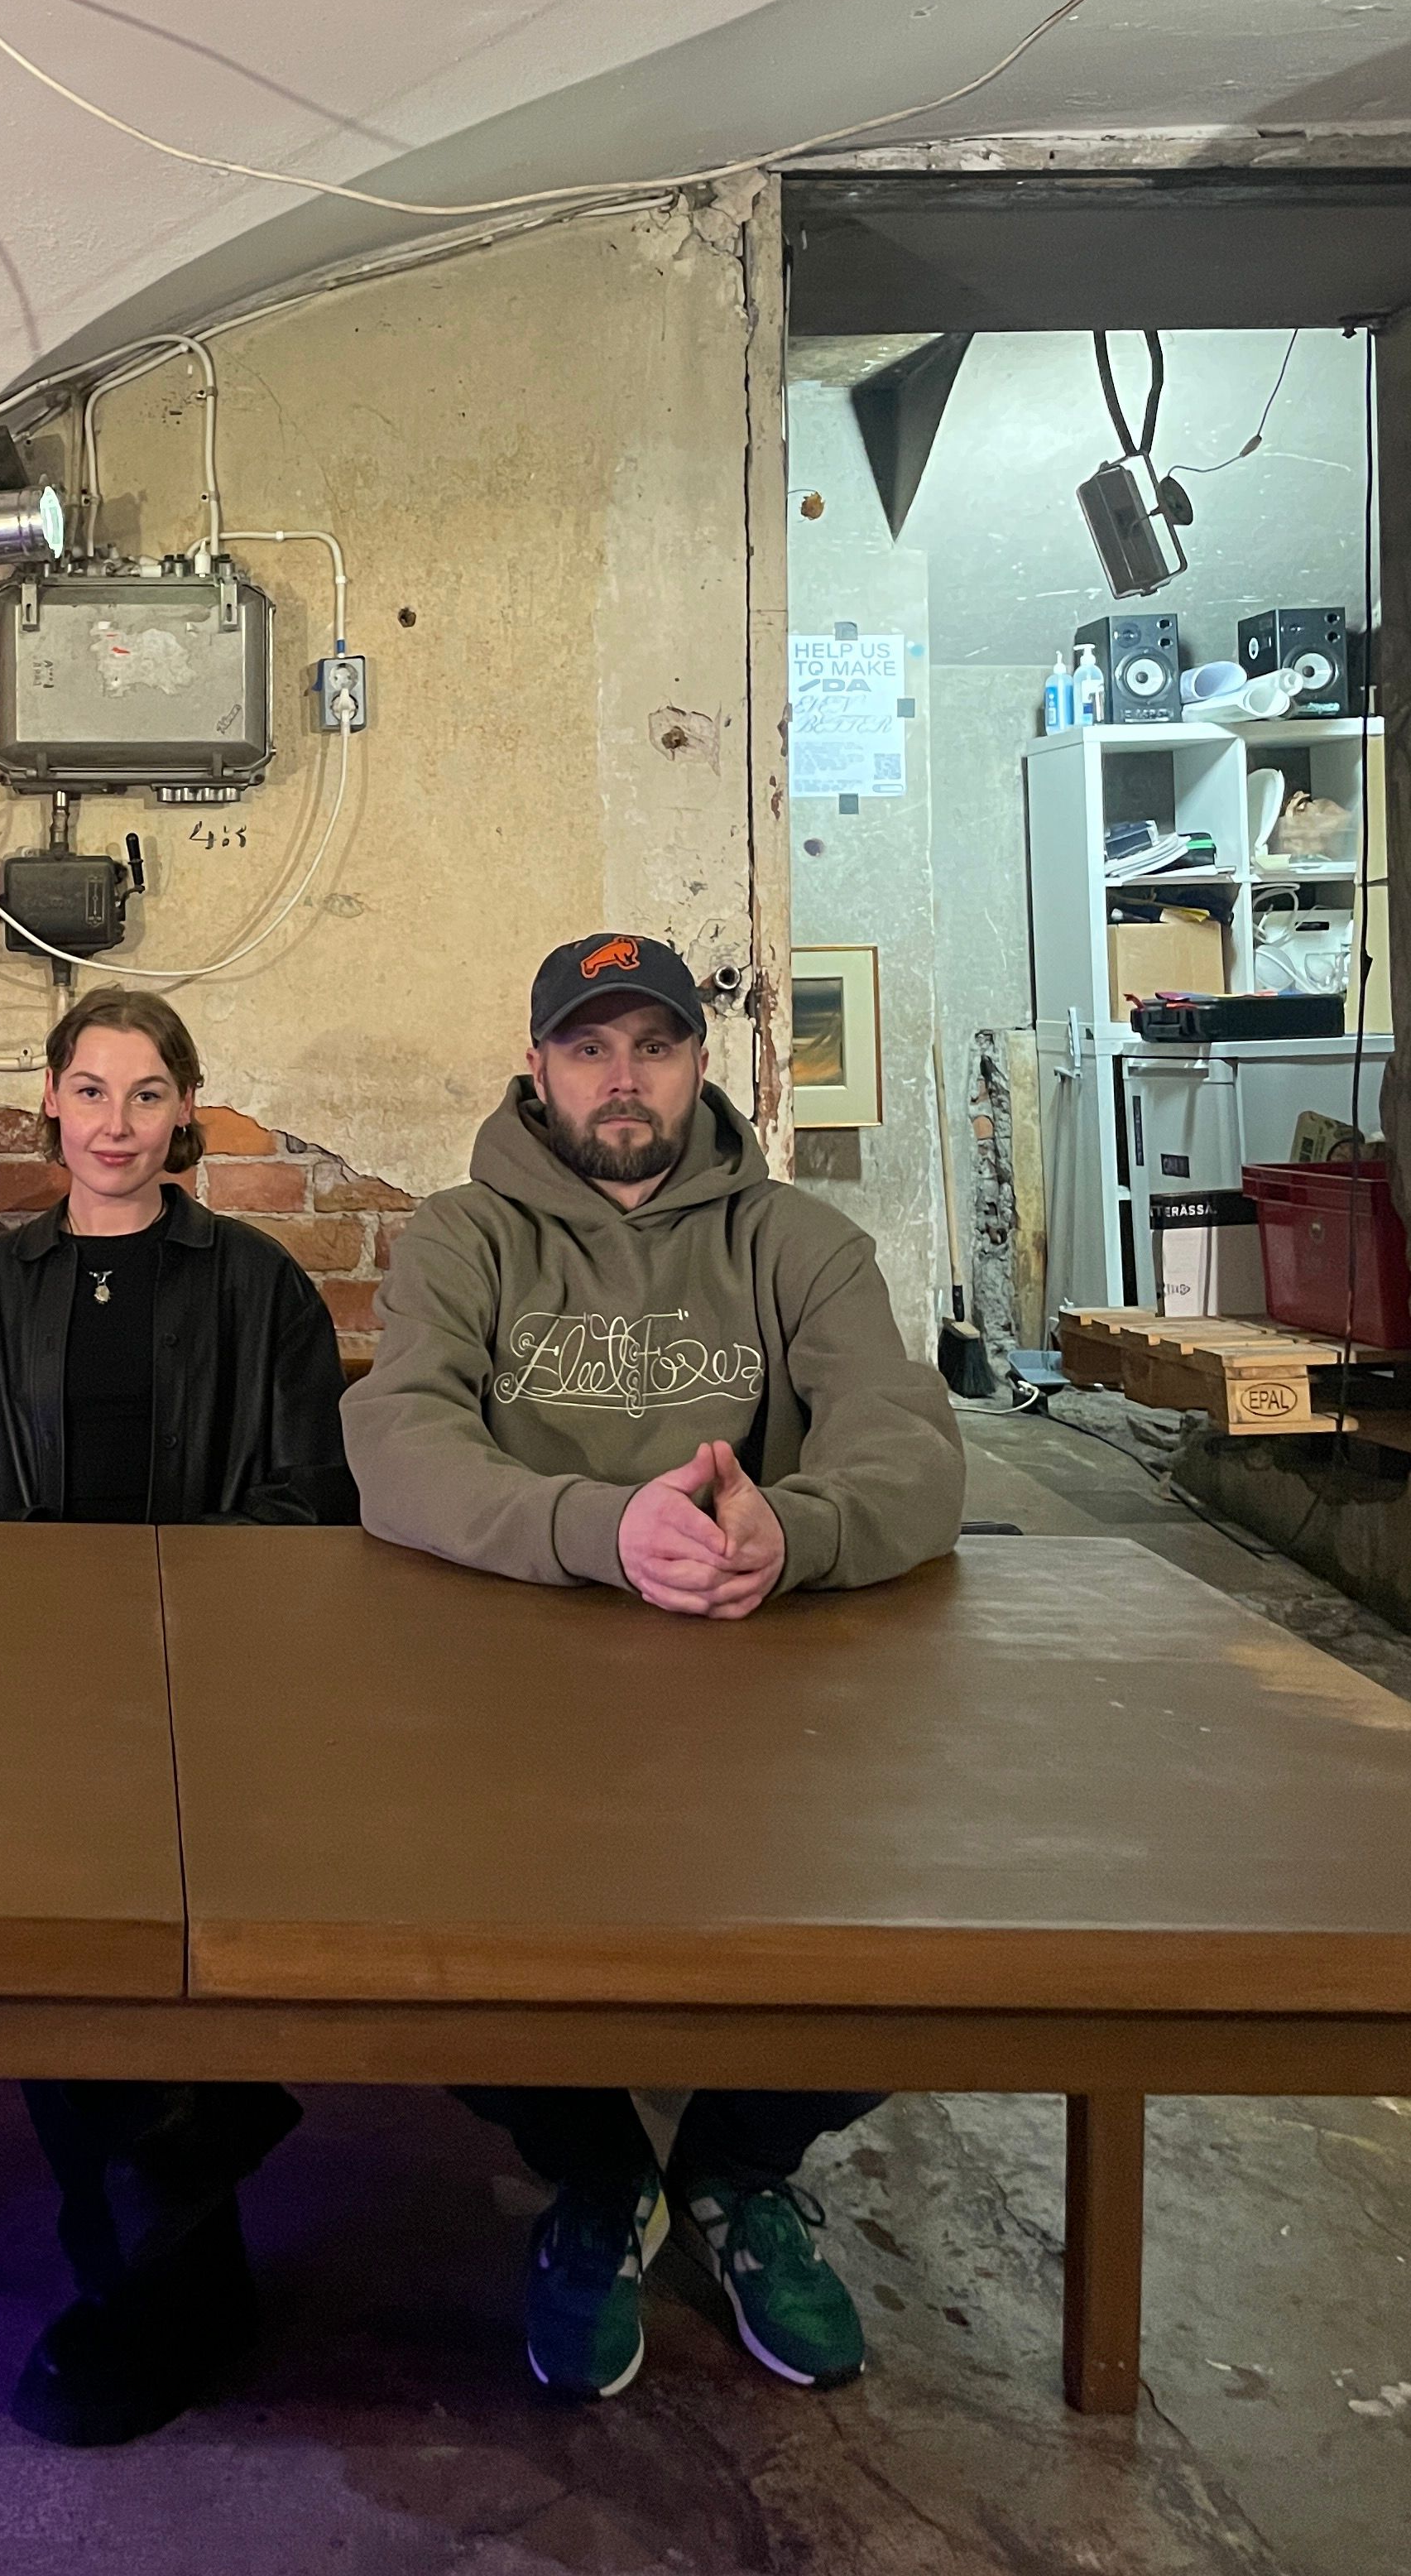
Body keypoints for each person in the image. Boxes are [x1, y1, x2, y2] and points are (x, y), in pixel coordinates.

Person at [343, 930, 963, 2407]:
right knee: (415, 1940)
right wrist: (600, 1526)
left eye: (656, 1046)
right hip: (508, 1694)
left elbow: (910, 1448)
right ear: (538, 1067)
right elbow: (399, 1445)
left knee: (925, 1937)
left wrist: (793, 1532)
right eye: (590, 1048)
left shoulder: (799, 1242)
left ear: (699, 1061)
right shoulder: (463, 1236)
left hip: (760, 1690)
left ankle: (740, 2172)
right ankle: (602, 2172)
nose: (623, 1079)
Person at [0, 985, 354, 2443]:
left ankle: (150, 2285)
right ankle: (187, 2220)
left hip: (217, 1685)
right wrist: (50, 1648)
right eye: (90, 1091)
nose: (115, 1124)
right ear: (50, 1101)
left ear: (186, 1114)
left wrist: (169, 1618)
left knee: (141, 1929)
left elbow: (308, 1505)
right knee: (59, 1939)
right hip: (31, 1696)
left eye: (147, 1094)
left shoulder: (260, 1288)